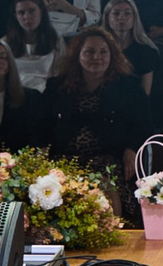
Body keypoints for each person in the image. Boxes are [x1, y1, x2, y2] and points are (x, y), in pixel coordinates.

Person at [45, 30, 149, 179]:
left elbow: (143, 124)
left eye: (103, 52)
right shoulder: (57, 86)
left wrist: (132, 149)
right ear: (78, 55)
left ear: (112, 55)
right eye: (89, 52)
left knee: (104, 185)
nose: (97, 57)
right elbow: (42, 123)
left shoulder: (129, 87)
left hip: (110, 160)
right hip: (64, 160)